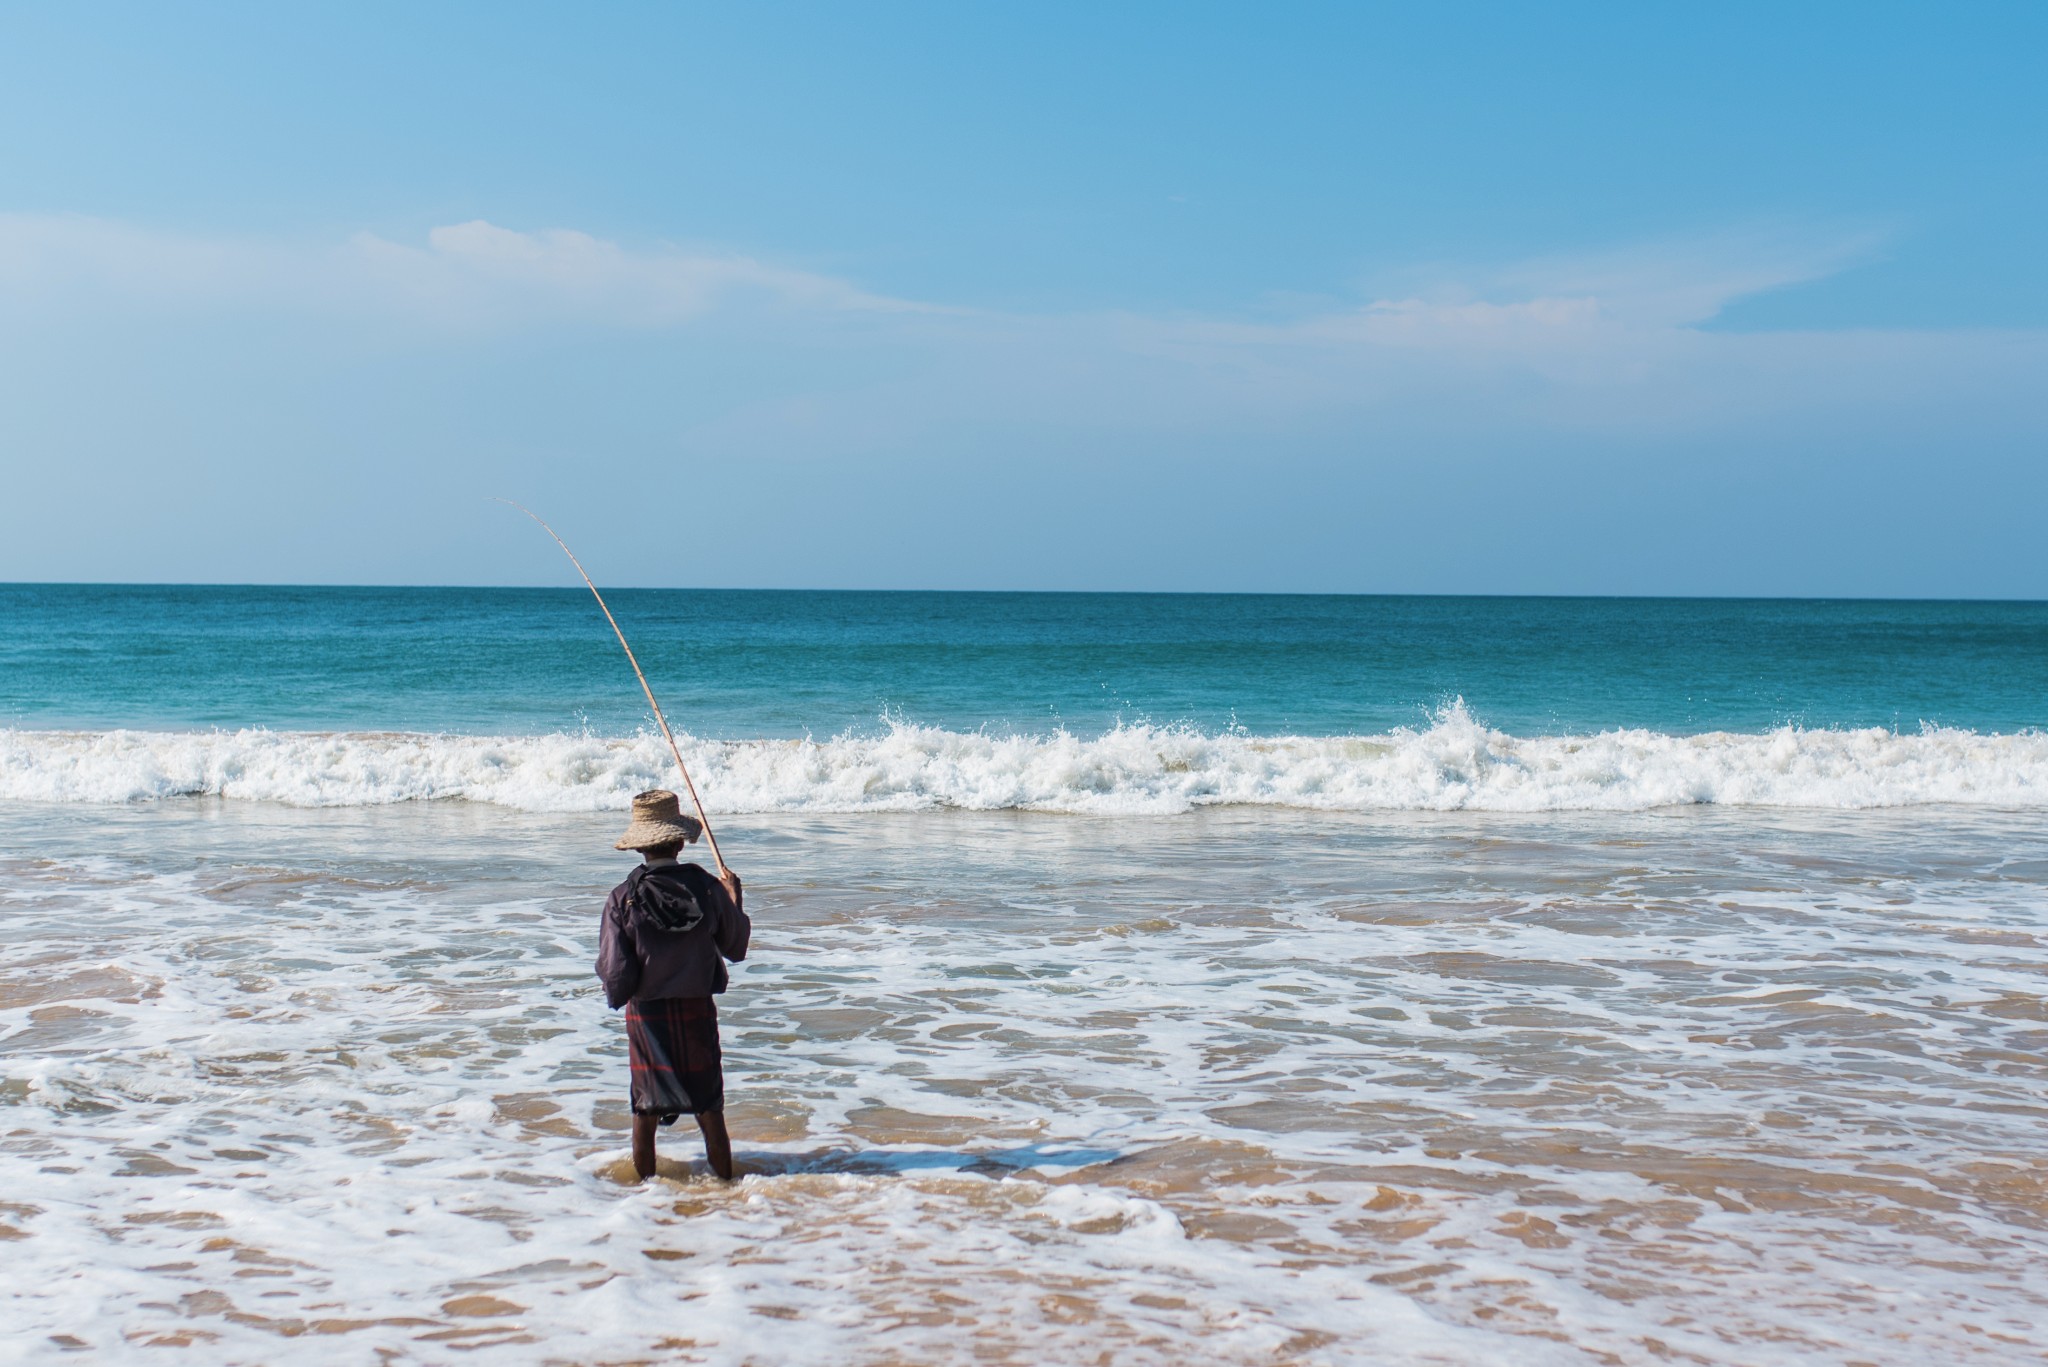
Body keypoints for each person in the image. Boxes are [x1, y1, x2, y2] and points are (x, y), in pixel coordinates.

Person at [596, 789, 749, 1182]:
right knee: (710, 1112)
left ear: (639, 847)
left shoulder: (622, 897)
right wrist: (735, 902)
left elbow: (615, 973)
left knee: (645, 1112)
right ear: (681, 842)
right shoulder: (707, 888)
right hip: (696, 1012)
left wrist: (621, 995)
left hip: (647, 1017)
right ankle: (724, 1192)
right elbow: (735, 948)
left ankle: (646, 1201)